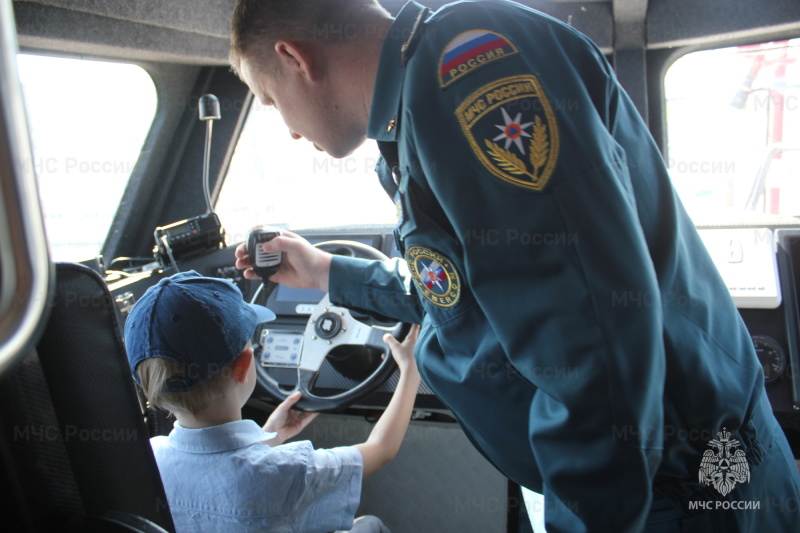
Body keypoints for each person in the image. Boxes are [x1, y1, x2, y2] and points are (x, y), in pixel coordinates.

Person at [229, 1, 800, 531]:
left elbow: (593, 341)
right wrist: (326, 270)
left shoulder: (465, 72)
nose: (291, 130)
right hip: (631, 474)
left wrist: (590, 516)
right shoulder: (416, 103)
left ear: (293, 56)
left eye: (274, 102)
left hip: (673, 482)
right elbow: (456, 292)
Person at [124, 270, 420, 533]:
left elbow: (222, 472)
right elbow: (381, 451)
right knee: (370, 525)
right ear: (244, 365)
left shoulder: (145, 461)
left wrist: (268, 438)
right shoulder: (289, 473)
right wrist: (411, 369)